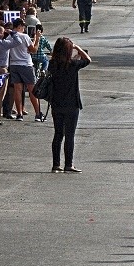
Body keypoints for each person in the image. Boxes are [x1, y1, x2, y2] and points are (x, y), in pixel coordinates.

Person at [46, 37, 92, 172]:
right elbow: (88, 60)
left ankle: (55, 165)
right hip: (72, 103)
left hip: (56, 102)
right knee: (70, 134)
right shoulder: (72, 64)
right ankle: (68, 164)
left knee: (58, 134)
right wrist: (77, 48)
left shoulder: (52, 64)